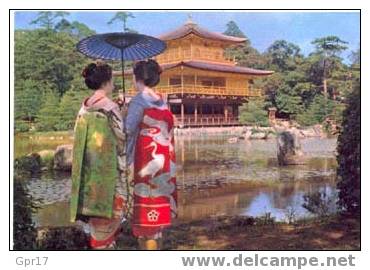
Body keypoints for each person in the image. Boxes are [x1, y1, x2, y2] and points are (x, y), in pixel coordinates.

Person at [70, 62, 129, 249]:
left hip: (89, 174)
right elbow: (122, 141)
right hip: (109, 174)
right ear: (107, 81)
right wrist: (124, 114)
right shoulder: (110, 108)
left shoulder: (84, 108)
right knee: (109, 221)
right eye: (112, 79)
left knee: (96, 225)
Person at [126, 59, 177, 250]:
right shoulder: (162, 101)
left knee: (146, 219)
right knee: (157, 221)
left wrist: (123, 114)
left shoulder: (138, 101)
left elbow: (127, 130)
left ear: (136, 78)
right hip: (163, 161)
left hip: (144, 162)